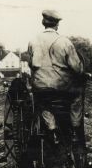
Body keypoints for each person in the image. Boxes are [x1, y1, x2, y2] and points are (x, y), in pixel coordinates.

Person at [28, 10, 84, 143]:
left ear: (44, 23)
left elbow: (32, 64)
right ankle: (75, 130)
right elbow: (76, 68)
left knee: (43, 104)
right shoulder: (65, 42)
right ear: (57, 25)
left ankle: (53, 130)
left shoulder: (33, 41)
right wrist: (82, 73)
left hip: (41, 87)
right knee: (77, 96)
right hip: (62, 87)